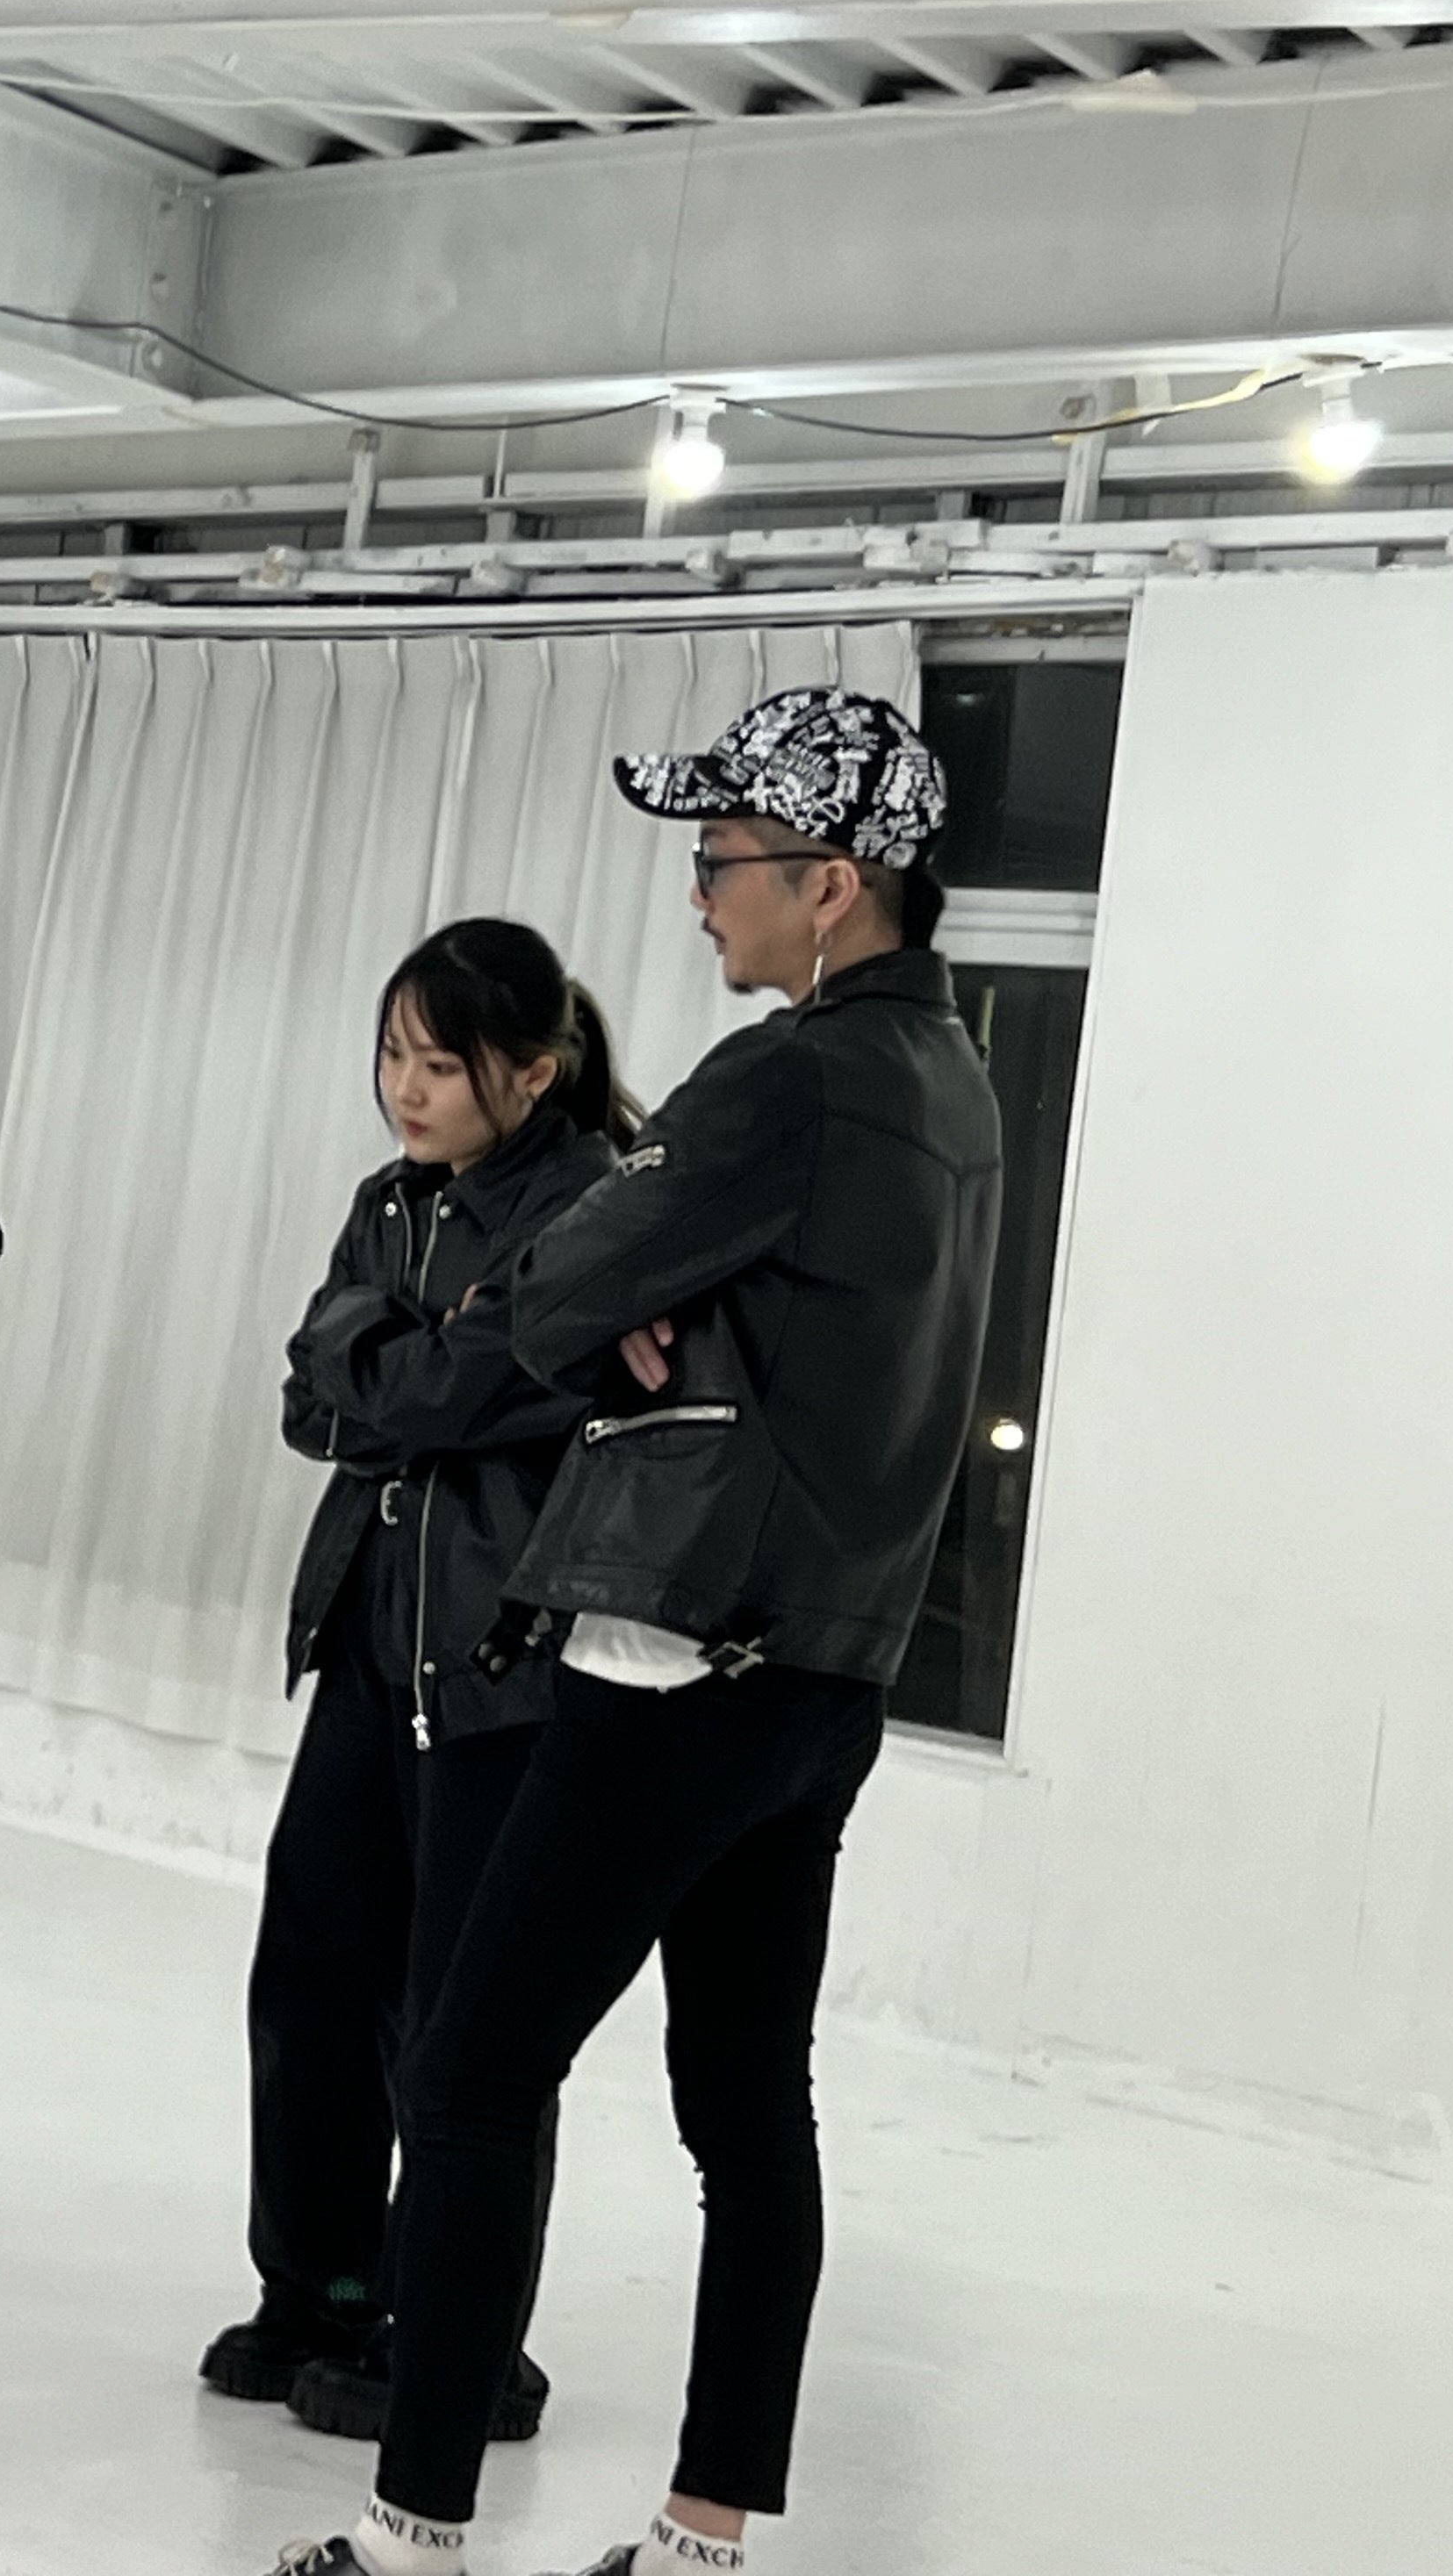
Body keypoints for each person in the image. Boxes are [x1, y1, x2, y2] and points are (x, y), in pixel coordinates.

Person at [272, 687, 1003, 2576]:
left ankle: (411, 2538)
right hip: (825, 1673)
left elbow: (550, 1289)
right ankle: (700, 2538)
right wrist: (643, 1311)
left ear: (832, 883)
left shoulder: (783, 1079)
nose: (697, 894)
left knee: (466, 2070)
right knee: (747, 2112)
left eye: (725, 859)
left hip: (677, 1653)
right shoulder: (957, 1081)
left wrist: (617, 1311)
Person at [206, 922, 636, 2447]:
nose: (404, 1087)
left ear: (533, 1071)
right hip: (368, 1637)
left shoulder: (588, 1208)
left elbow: (464, 1385)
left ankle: (459, 2341)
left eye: (441, 1063)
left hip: (502, 1666)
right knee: (311, 1976)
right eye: (391, 1053)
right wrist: (394, 1361)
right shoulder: (388, 1201)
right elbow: (309, 1406)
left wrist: (380, 1356)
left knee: (463, 2022)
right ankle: (319, 2287)